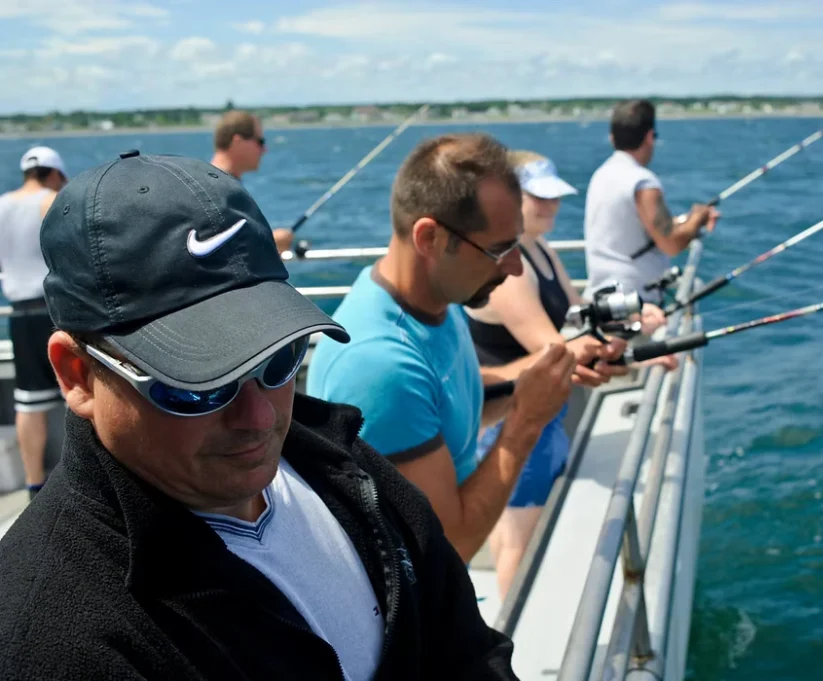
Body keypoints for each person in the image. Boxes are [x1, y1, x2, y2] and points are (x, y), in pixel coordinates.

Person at [0, 150, 520, 680]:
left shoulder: (336, 457)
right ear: (78, 375)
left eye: (279, 358)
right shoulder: (51, 644)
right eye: (196, 384)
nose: (258, 417)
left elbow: (465, 650)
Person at [306, 133, 628, 564]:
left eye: (517, 246)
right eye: (499, 250)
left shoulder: (435, 303)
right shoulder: (380, 366)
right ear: (430, 239)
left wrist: (542, 379)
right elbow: (450, 546)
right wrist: (525, 422)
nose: (515, 268)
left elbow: (451, 401)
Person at [463, 151, 676, 597]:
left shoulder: (539, 249)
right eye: (538, 199)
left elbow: (581, 318)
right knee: (519, 546)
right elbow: (555, 349)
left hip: (546, 419)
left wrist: (634, 328)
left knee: (513, 536)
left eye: (554, 198)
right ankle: (515, 647)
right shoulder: (510, 270)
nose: (550, 207)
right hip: (514, 422)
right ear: (510, 199)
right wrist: (630, 353)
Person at [583, 98, 720, 303]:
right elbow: (671, 243)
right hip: (633, 303)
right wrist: (698, 218)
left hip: (603, 296)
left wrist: (688, 220)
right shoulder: (642, 182)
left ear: (613, 138)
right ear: (649, 136)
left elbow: (639, 228)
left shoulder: (602, 174)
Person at [0, 146, 68, 499]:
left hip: (20, 316)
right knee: (78, 395)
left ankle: (33, 485)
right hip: (53, 311)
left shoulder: (2, 205)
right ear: (53, 173)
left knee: (29, 404)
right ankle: (83, 480)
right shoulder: (52, 200)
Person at [209, 109, 294, 255]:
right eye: (260, 142)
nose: (264, 150)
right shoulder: (219, 189)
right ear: (238, 142)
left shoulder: (216, 182)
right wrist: (270, 242)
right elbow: (222, 248)